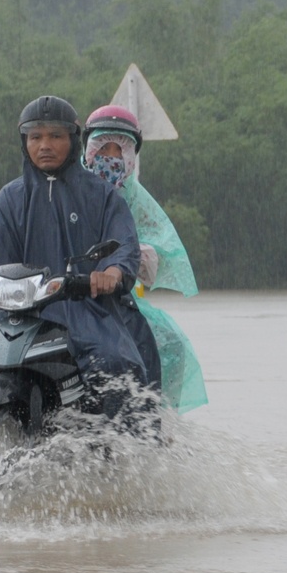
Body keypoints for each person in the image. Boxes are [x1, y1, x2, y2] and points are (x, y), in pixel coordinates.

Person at [0, 96, 156, 415]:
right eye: (35, 137)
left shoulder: (102, 195)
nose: (45, 145)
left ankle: (123, 452)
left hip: (87, 312)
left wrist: (112, 272)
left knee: (115, 362)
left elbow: (123, 245)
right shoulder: (11, 198)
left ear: (73, 139)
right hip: (19, 311)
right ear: (24, 142)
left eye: (55, 136)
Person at [77, 103, 208, 414]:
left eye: (118, 149)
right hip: (64, 292)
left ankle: (158, 418)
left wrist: (138, 257)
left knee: (170, 341)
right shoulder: (67, 189)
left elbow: (153, 250)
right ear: (86, 149)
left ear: (131, 157)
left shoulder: (135, 202)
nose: (109, 157)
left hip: (116, 299)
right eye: (102, 147)